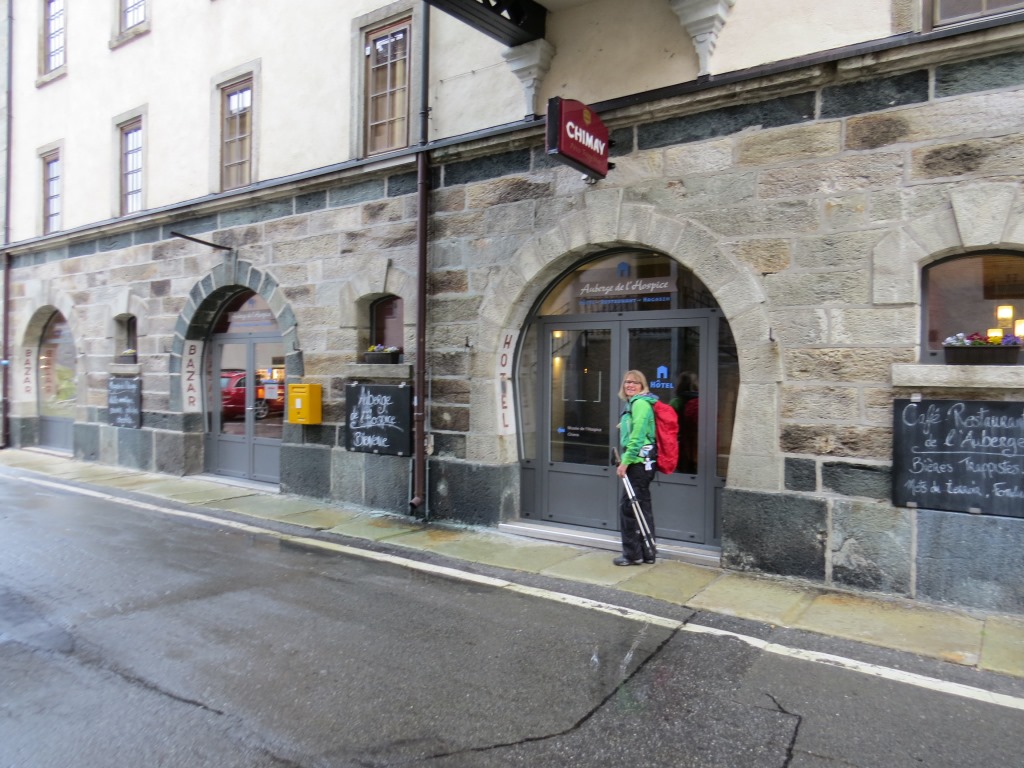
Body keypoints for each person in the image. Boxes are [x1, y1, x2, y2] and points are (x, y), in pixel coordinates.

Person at [614, 370, 657, 566]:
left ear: (642, 386)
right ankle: (648, 553)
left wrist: (625, 462)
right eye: (627, 382)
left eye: (635, 382)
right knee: (642, 507)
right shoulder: (636, 403)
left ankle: (632, 555)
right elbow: (638, 427)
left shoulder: (639, 404)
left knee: (629, 509)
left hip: (637, 463)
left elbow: (638, 437)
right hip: (644, 462)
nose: (630, 385)